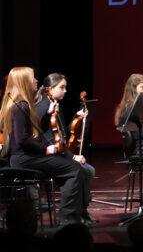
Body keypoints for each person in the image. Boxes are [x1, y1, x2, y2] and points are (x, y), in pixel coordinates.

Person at [0, 67, 89, 226]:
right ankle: (68, 219)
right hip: (24, 158)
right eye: (33, 78)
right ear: (24, 81)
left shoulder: (22, 104)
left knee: (72, 168)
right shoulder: (21, 105)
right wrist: (47, 149)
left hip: (24, 157)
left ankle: (72, 216)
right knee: (75, 169)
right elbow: (22, 140)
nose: (36, 81)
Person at [33, 73, 97, 225]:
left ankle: (81, 211)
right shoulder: (43, 106)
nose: (65, 90)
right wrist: (72, 157)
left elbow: (63, 133)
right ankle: (73, 215)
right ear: (50, 89)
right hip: (49, 153)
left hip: (60, 151)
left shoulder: (55, 104)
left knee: (88, 170)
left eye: (65, 87)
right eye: (62, 87)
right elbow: (47, 138)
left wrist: (77, 117)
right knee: (85, 170)